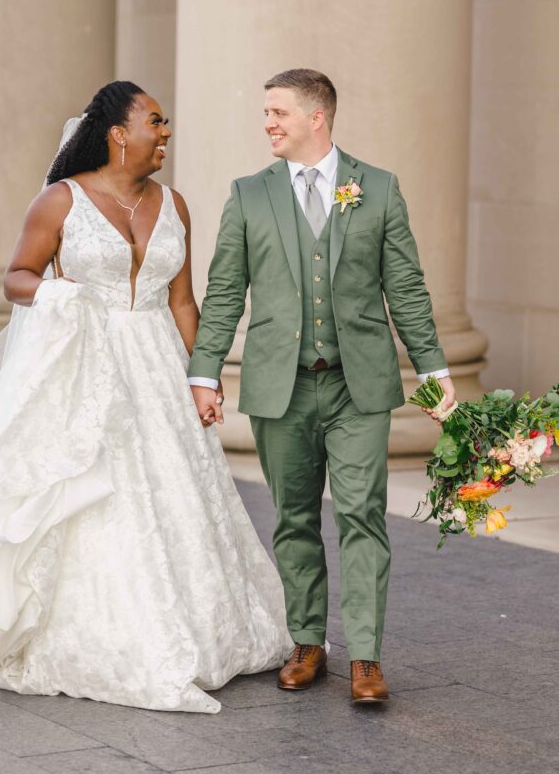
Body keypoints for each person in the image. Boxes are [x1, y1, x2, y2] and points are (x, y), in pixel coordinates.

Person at [0, 81, 291, 713]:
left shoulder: (175, 204)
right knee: (94, 492)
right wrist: (56, 295)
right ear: (119, 133)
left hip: (156, 366)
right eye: (156, 121)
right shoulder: (59, 201)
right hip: (84, 365)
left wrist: (204, 377)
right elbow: (17, 276)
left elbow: (182, 300)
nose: (166, 132)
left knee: (176, 493)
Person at [188, 68, 455, 703]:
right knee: (294, 518)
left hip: (357, 385)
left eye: (278, 113)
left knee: (363, 514)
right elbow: (225, 291)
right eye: (266, 114)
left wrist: (436, 370)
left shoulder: (379, 190)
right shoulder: (249, 194)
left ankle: (366, 656)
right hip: (279, 385)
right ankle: (307, 640)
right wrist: (204, 371)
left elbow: (407, 290)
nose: (268, 124)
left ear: (318, 117)